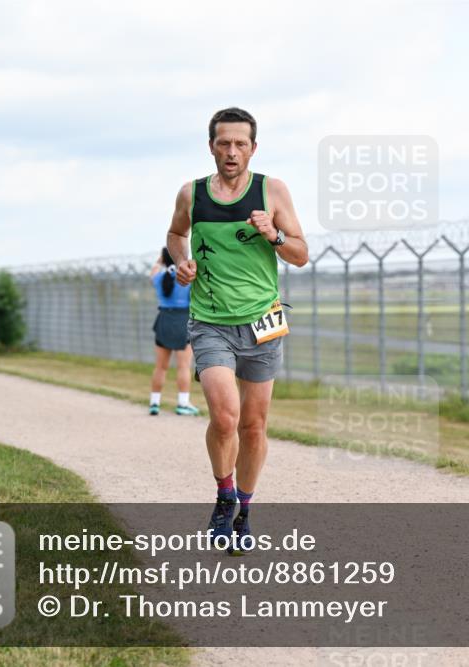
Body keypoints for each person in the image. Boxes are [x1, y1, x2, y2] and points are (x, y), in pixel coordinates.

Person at [167, 107, 308, 552]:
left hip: (262, 321)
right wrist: (182, 262)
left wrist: (274, 235)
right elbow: (176, 235)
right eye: (224, 143)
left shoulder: (272, 191)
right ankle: (224, 494)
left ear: (253, 148)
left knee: (253, 426)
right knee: (225, 417)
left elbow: (301, 254)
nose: (231, 151)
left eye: (240, 144)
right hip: (211, 322)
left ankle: (244, 510)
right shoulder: (191, 194)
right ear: (211, 146)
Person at [149, 247, 199, 416]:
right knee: (183, 367)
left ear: (163, 259)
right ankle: (183, 404)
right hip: (183, 321)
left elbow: (153, 271)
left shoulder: (159, 278)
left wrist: (161, 260)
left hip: (163, 320)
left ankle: (154, 403)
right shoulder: (186, 279)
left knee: (160, 367)